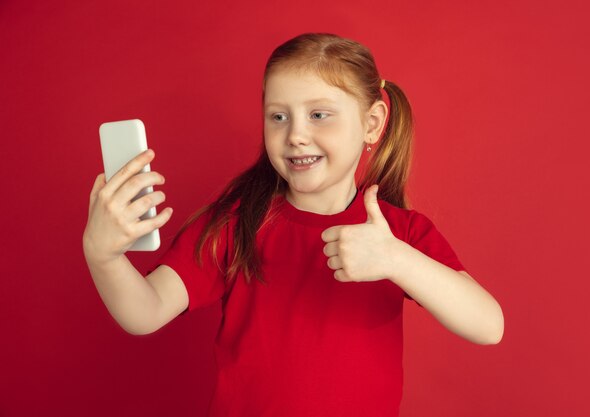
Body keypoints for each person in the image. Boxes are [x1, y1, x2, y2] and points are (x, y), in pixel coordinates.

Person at [83, 32, 503, 417]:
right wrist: (103, 255)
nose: (296, 135)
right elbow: (145, 312)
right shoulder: (237, 222)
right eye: (278, 117)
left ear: (371, 123)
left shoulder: (399, 234)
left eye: (319, 114)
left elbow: (488, 326)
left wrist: (398, 260)